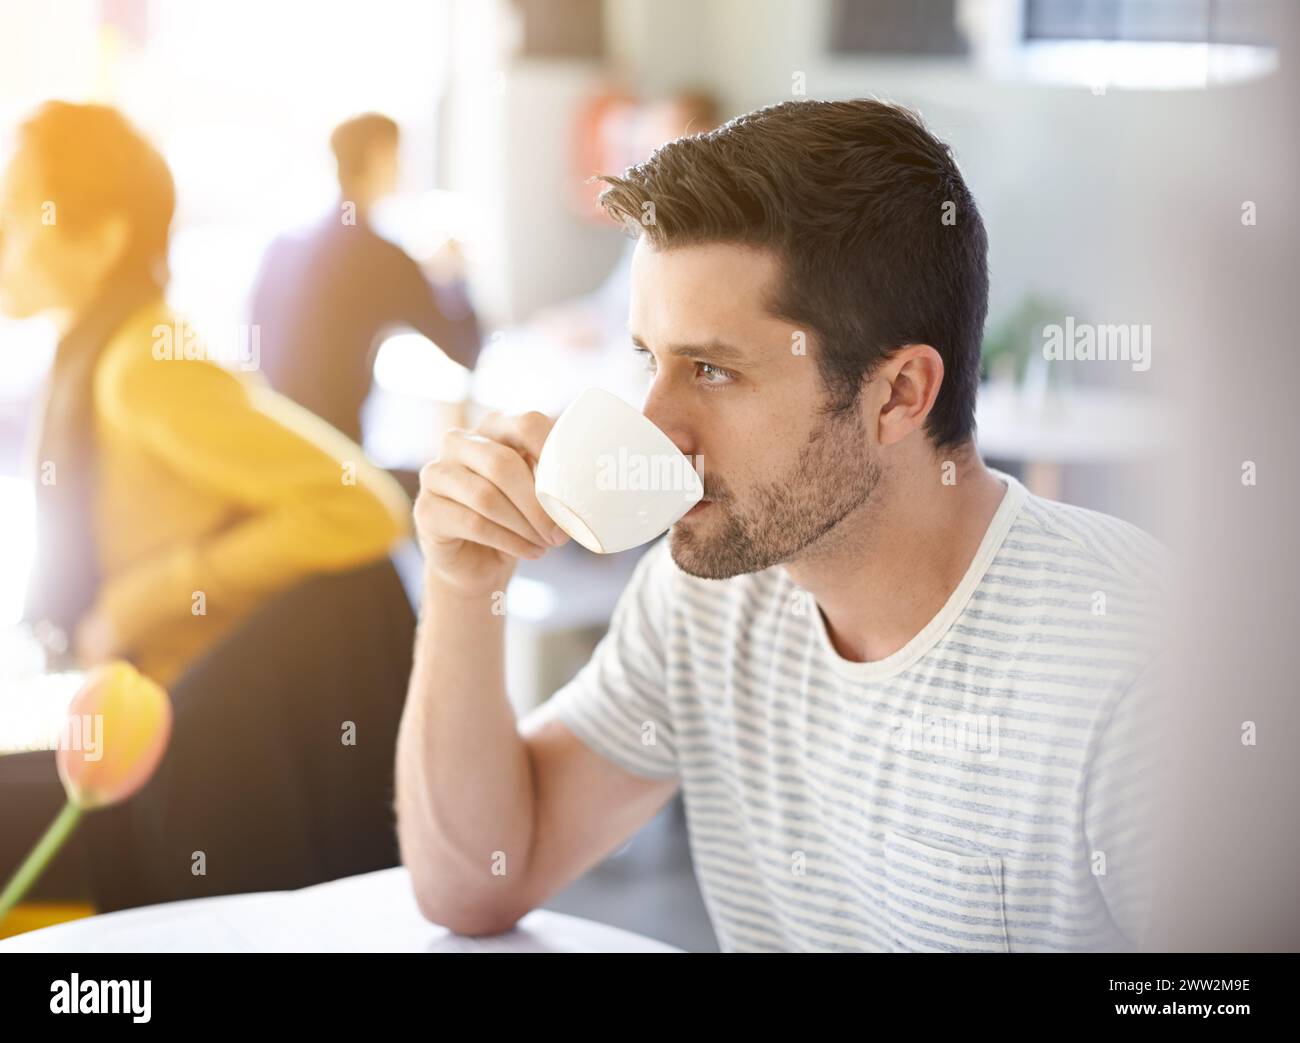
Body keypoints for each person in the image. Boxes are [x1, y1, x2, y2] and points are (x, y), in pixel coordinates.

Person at [395, 99, 1169, 952]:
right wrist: (464, 585)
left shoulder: (1134, 670)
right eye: (651, 359)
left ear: (900, 394)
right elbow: (476, 881)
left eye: (714, 370)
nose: (655, 426)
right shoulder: (707, 602)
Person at [0, 102, 419, 909]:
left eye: (17, 218)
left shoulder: (141, 364)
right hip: (150, 716)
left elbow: (362, 505)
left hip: (204, 742)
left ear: (104, 236)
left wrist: (139, 599)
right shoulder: (85, 355)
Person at [248, 112, 481, 451]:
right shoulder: (380, 256)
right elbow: (466, 348)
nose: (406, 168)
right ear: (381, 156)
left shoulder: (284, 245)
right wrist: (454, 271)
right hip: (335, 458)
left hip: (276, 445)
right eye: (401, 156)